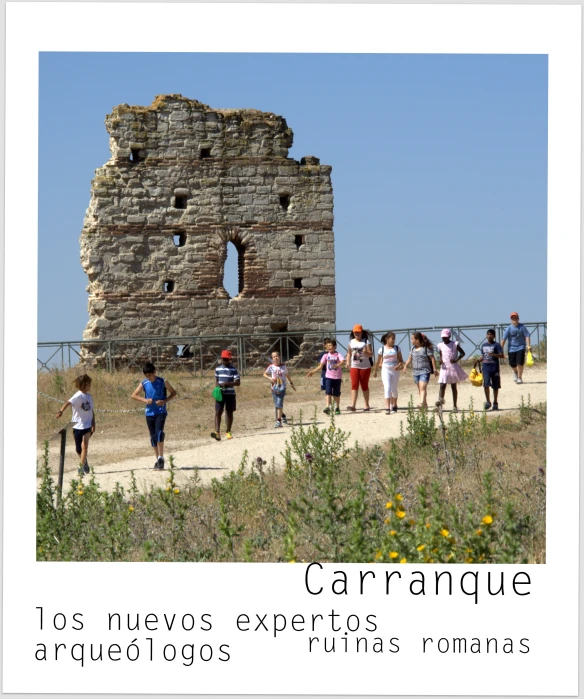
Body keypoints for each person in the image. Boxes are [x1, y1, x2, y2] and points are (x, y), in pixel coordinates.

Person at [131, 362, 177, 469]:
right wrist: (145, 400)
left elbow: (173, 393)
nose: (149, 377)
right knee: (153, 437)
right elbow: (133, 395)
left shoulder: (163, 381)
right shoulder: (144, 383)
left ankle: (161, 457)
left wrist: (164, 401)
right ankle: (158, 460)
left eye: (150, 375)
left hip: (160, 411)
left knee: (159, 433)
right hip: (149, 413)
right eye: (146, 376)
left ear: (155, 372)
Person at [56, 374, 95, 477]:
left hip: (87, 425)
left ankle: (80, 467)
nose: (90, 386)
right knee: (78, 449)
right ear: (85, 384)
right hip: (77, 426)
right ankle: (84, 461)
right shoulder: (78, 395)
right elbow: (68, 403)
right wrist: (60, 411)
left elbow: (91, 411)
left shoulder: (89, 397)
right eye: (89, 384)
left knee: (85, 445)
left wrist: (93, 423)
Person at [307, 338, 345, 415]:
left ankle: (337, 407)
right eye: (327, 346)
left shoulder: (338, 354)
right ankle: (327, 407)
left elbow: (343, 361)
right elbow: (320, 366)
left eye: (330, 345)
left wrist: (337, 365)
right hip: (328, 377)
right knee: (328, 392)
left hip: (337, 377)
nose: (328, 347)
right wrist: (312, 372)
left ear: (335, 347)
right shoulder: (325, 355)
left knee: (336, 394)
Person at [402, 332, 438, 410]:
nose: (411, 340)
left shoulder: (425, 349)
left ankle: (421, 404)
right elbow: (410, 358)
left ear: (417, 340)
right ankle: (425, 404)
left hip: (425, 371)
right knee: (421, 389)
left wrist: (435, 369)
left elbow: (432, 358)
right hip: (416, 372)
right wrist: (405, 366)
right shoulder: (412, 349)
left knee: (422, 387)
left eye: (412, 339)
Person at [211, 350, 240, 441]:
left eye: (227, 359)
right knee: (218, 412)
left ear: (230, 359)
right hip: (221, 394)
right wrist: (217, 389)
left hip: (230, 394)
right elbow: (216, 380)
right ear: (221, 358)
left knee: (229, 412)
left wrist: (226, 383)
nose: (225, 361)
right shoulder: (218, 369)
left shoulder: (233, 370)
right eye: (224, 359)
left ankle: (228, 431)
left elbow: (238, 382)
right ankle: (217, 432)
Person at [436, 329, 468, 412]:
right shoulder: (440, 345)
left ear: (449, 336)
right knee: (442, 385)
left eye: (446, 337)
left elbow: (462, 353)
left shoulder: (454, 344)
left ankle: (454, 406)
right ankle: (440, 405)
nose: (444, 339)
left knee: (453, 386)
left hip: (452, 367)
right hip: (444, 367)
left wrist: (456, 360)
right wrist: (440, 360)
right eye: (443, 337)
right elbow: (441, 355)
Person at [263, 351, 297, 428]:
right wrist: (269, 378)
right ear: (272, 358)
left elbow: (287, 375)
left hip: (282, 388)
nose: (276, 358)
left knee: (279, 403)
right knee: (277, 404)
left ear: (280, 357)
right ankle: (283, 415)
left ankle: (278, 421)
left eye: (277, 356)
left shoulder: (283, 367)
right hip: (274, 388)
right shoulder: (271, 366)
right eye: (274, 357)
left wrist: (291, 383)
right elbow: (264, 374)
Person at [373, 332, 403, 414]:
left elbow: (401, 360)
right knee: (387, 387)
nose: (394, 340)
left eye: (394, 339)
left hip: (395, 371)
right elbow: (378, 361)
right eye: (392, 338)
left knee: (394, 389)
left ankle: (394, 405)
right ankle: (387, 407)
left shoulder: (397, 348)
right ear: (387, 339)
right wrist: (375, 371)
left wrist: (398, 365)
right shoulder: (381, 349)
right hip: (385, 370)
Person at [346, 324, 373, 411]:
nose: (356, 334)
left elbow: (371, 354)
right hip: (354, 366)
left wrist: (366, 353)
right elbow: (349, 353)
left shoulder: (366, 342)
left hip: (365, 367)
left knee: (364, 385)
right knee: (354, 385)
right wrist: (347, 362)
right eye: (355, 332)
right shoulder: (351, 342)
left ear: (361, 332)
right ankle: (353, 405)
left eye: (358, 332)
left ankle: (366, 405)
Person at [476, 329, 505, 411]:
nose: (489, 336)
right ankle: (488, 401)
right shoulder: (484, 345)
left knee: (495, 386)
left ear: (494, 336)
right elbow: (483, 356)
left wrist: (494, 355)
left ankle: (495, 402)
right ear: (486, 336)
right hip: (486, 368)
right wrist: (478, 360)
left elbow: (502, 355)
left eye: (491, 334)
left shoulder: (497, 345)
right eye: (488, 334)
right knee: (486, 384)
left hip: (494, 367)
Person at [501, 312, 532, 384]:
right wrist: (501, 349)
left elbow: (527, 336)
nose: (514, 319)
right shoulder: (508, 328)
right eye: (513, 318)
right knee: (512, 363)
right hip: (511, 348)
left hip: (521, 347)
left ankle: (519, 377)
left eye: (515, 317)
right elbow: (503, 339)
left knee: (520, 363)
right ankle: (515, 372)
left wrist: (528, 346)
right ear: (511, 319)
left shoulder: (522, 327)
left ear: (518, 318)